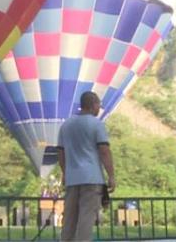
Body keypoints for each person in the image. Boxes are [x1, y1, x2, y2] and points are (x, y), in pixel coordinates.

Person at [57, 91, 116, 241]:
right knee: (86, 218)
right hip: (92, 179)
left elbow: (61, 153)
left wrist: (65, 172)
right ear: (94, 105)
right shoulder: (97, 124)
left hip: (72, 179)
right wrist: (111, 176)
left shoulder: (66, 125)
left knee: (69, 219)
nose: (99, 108)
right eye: (99, 105)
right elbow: (104, 151)